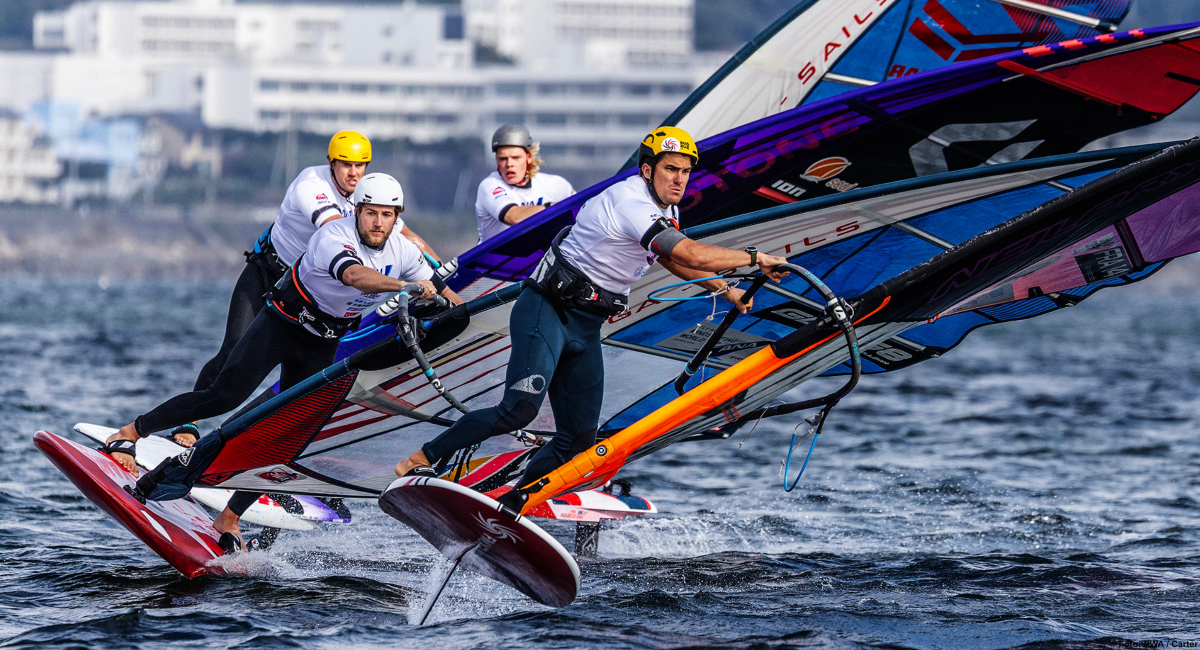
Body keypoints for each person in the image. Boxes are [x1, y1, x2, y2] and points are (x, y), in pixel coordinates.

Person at [393, 126, 790, 490]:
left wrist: (726, 290)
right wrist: (754, 257)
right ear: (648, 170)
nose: (680, 179)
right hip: (546, 311)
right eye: (671, 169)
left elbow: (669, 258)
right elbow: (688, 251)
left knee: (579, 440)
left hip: (585, 328)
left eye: (686, 171)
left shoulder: (666, 211)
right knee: (518, 412)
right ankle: (420, 459)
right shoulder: (630, 200)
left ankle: (510, 502)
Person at [102, 173, 461, 551]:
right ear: (357, 211)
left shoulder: (402, 252)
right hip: (281, 325)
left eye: (386, 215)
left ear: (396, 216)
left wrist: (471, 313)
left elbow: (442, 290)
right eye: (370, 213)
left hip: (322, 343)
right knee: (222, 397)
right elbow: (356, 277)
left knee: (285, 436)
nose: (377, 222)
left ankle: (230, 516)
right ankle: (130, 433)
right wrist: (406, 287)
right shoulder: (333, 236)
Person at [169, 130, 441, 447]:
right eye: (346, 165)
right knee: (233, 348)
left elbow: (406, 235)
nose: (353, 173)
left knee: (297, 383)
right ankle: (187, 423)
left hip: (304, 295)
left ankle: (253, 449)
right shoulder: (311, 185)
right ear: (331, 163)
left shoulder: (365, 195)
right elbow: (334, 235)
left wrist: (443, 270)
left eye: (360, 165)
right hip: (268, 274)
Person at [474, 124, 575, 243]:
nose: (509, 164)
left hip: (540, 258)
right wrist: (552, 208)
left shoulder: (557, 184)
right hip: (495, 259)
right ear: (497, 159)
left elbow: (581, 215)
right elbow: (514, 217)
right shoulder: (489, 186)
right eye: (503, 159)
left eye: (515, 158)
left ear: (528, 158)